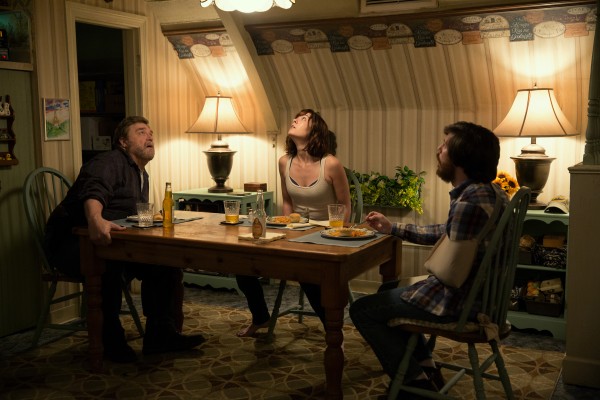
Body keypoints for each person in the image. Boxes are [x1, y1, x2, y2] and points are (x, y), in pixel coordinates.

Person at [349, 121, 507, 397]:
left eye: (445, 145)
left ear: (461, 156)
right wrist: (393, 228)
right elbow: (448, 233)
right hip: (485, 297)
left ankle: (414, 383)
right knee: (389, 289)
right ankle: (426, 367)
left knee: (362, 310)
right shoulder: (490, 192)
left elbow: (449, 266)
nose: (438, 149)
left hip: (463, 302)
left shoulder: (470, 200)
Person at [44, 116, 205, 363]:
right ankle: (110, 342)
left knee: (165, 262)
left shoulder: (141, 174)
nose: (149, 136)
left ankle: (160, 335)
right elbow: (94, 190)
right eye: (141, 132)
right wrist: (95, 219)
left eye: (150, 132)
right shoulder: (109, 162)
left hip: (114, 243)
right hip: (71, 244)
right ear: (122, 142)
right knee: (108, 267)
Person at [235, 109, 351, 337]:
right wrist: (287, 231)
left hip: (326, 233)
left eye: (303, 118)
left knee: (305, 272)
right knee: (242, 263)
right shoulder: (284, 162)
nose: (295, 120)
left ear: (315, 131)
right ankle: (260, 317)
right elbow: (287, 201)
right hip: (295, 230)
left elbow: (345, 203)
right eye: (296, 117)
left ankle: (333, 332)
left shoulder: (331, 164)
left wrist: (337, 237)